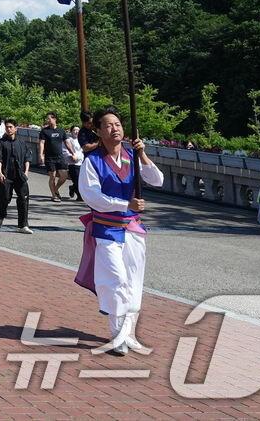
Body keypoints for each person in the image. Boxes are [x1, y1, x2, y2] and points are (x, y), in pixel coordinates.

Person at [76, 107, 164, 355]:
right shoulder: (92, 161)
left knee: (134, 280)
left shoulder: (132, 156)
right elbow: (92, 196)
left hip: (133, 229)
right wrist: (125, 204)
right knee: (116, 279)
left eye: (117, 124)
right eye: (108, 125)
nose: (114, 129)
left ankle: (128, 333)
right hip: (107, 229)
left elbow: (157, 180)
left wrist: (142, 154)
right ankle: (118, 334)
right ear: (98, 131)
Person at [0, 119, 32, 234]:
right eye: (7, 127)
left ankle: (23, 225)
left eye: (11, 127)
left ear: (15, 128)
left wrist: (26, 172)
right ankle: (0, 216)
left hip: (20, 175)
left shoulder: (22, 143)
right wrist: (0, 173)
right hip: (6, 175)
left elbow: (27, 158)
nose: (8, 129)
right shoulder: (0, 143)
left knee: (23, 198)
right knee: (4, 197)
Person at [38, 113, 68, 201]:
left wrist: (72, 152)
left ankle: (56, 189)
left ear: (54, 119)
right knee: (52, 177)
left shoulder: (61, 130)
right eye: (47, 119)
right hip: (49, 158)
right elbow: (41, 143)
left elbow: (66, 142)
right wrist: (41, 155)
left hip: (60, 157)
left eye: (49, 118)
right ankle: (54, 195)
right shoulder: (44, 131)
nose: (47, 120)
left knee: (64, 176)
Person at [64, 126, 84, 201]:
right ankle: (80, 196)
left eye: (78, 130)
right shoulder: (68, 140)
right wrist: (71, 156)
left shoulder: (81, 139)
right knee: (77, 180)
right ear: (71, 131)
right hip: (73, 163)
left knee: (81, 180)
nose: (76, 132)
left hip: (82, 162)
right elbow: (65, 151)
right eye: (74, 130)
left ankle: (72, 188)